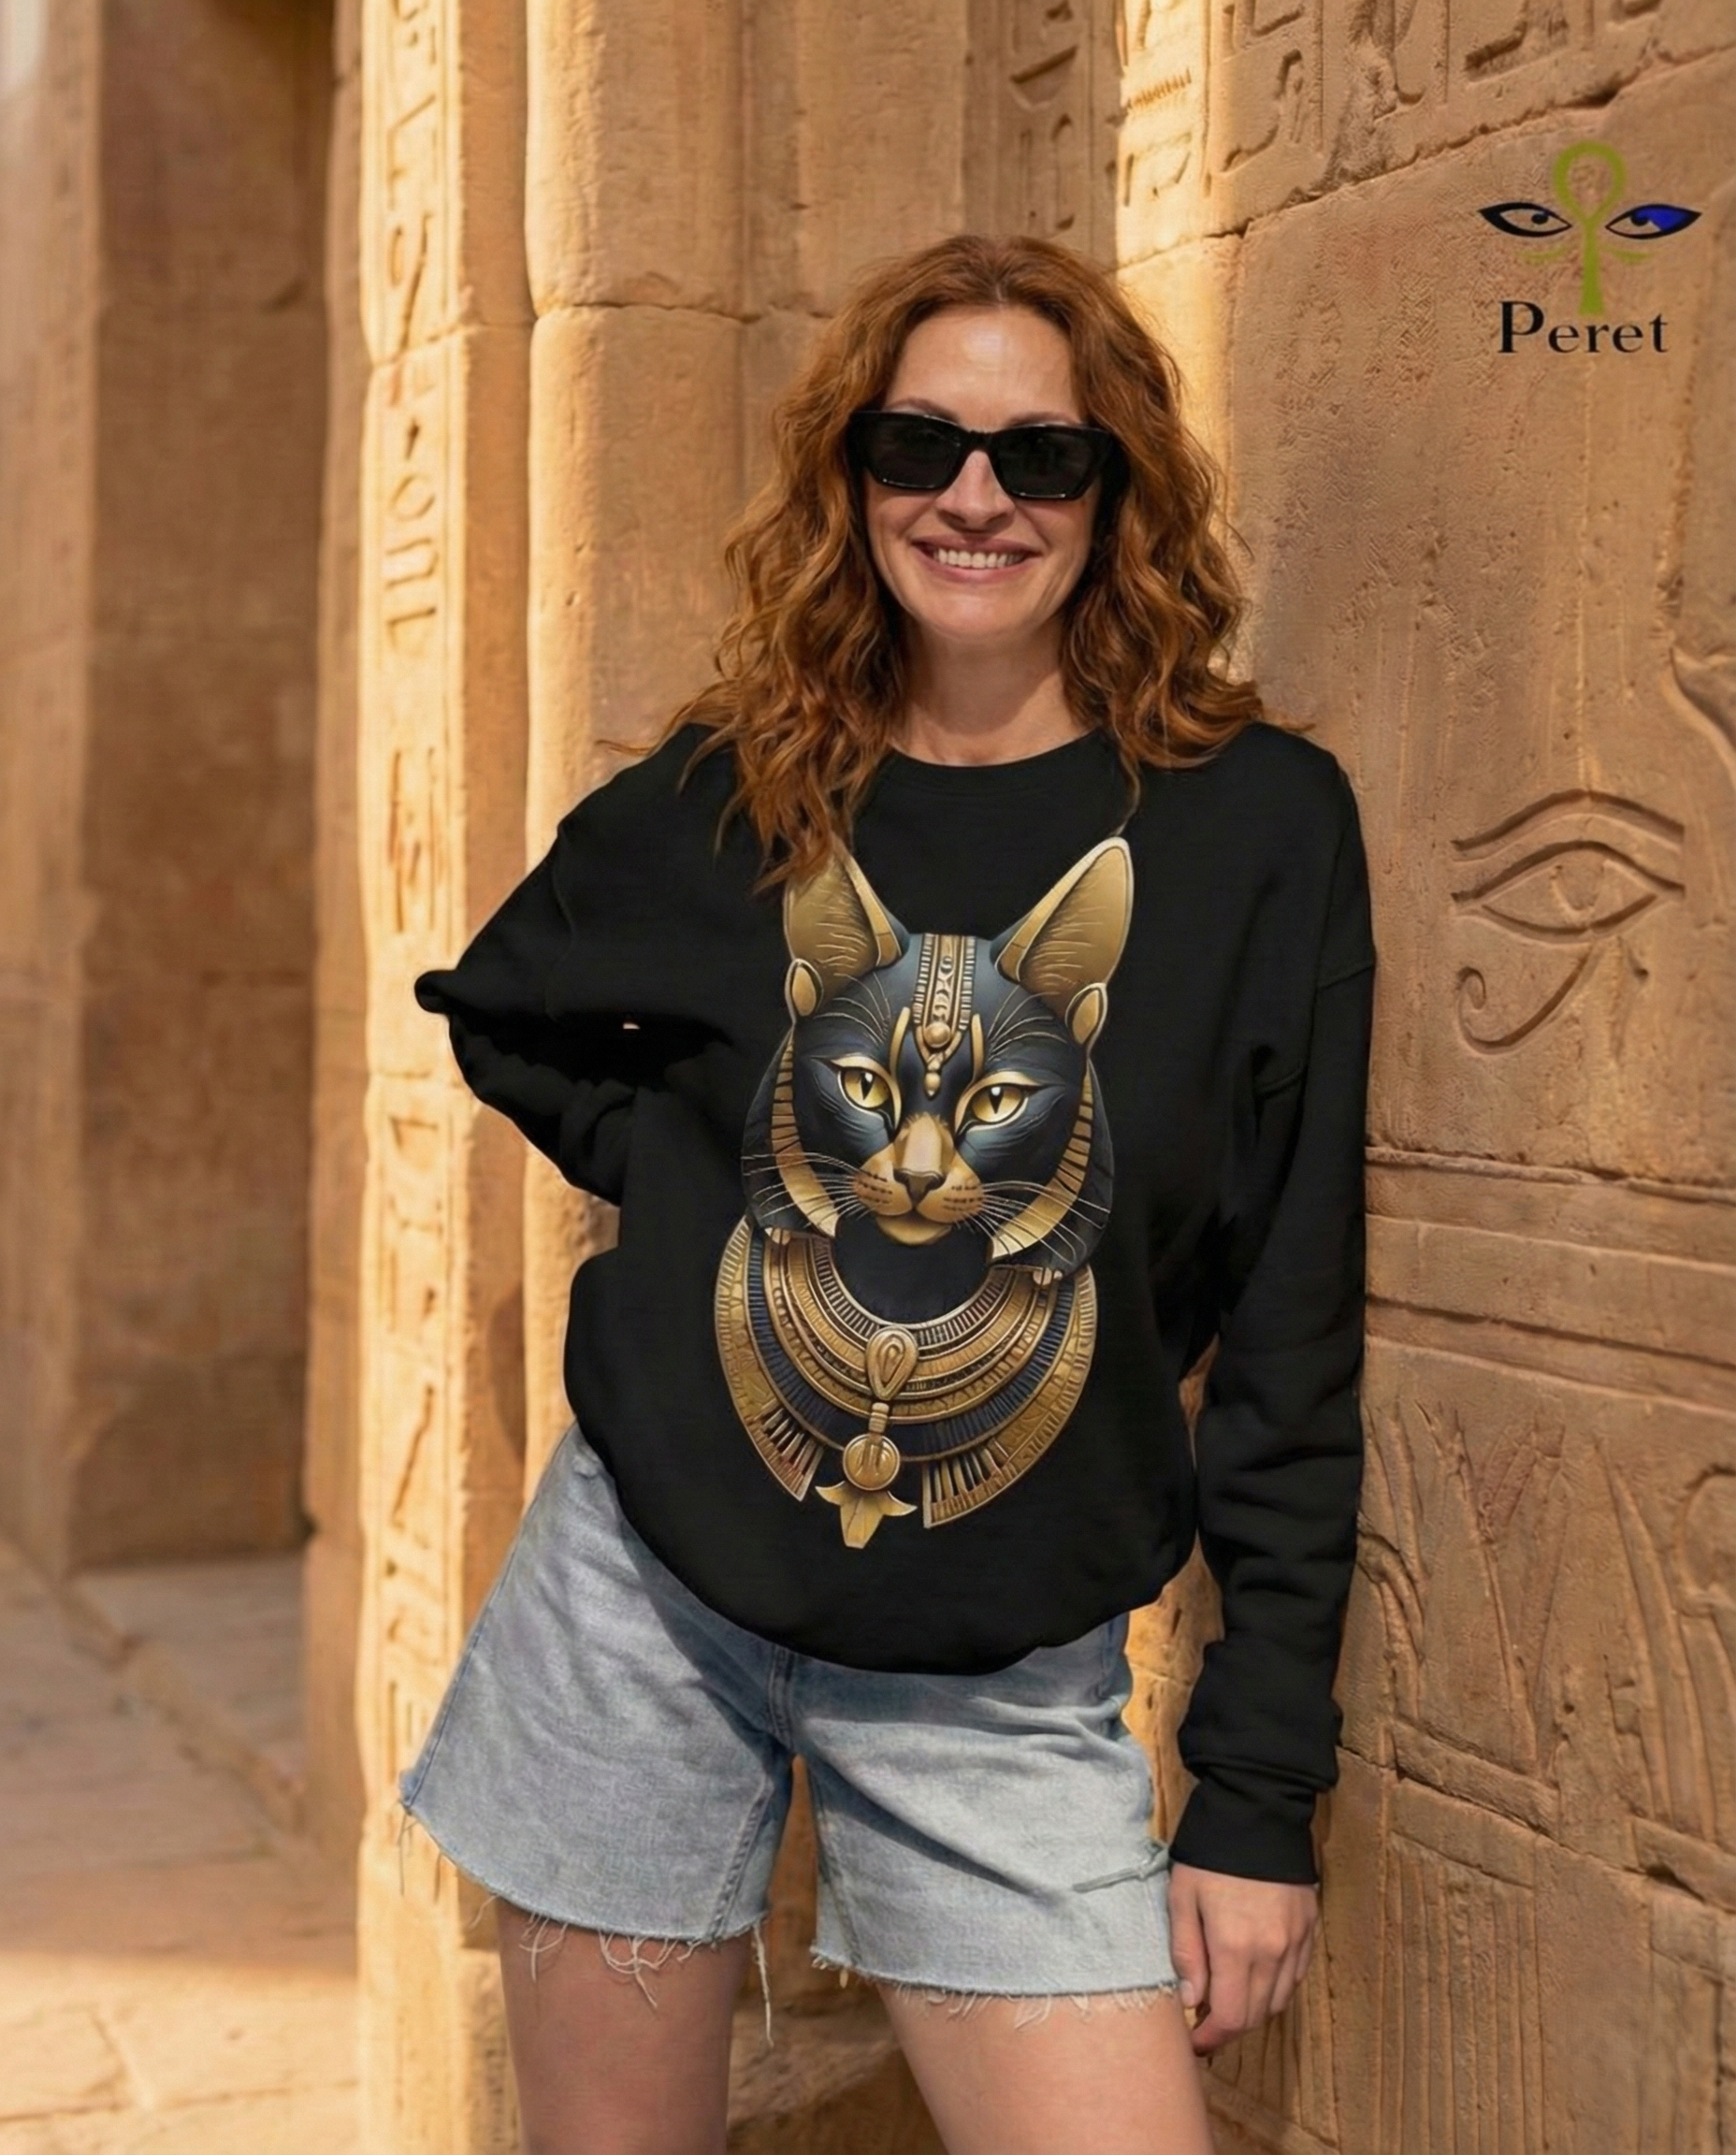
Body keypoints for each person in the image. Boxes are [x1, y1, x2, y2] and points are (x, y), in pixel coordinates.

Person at [402, 233, 1374, 2155]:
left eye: (1042, 455)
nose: (973, 497)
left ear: (1118, 490)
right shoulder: (739, 792)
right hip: (640, 1607)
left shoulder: (1256, 827)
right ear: (851, 479)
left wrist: (1257, 1798)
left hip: (997, 1678)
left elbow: (1291, 1327)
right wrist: (706, 1176)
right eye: (917, 444)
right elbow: (503, 1007)